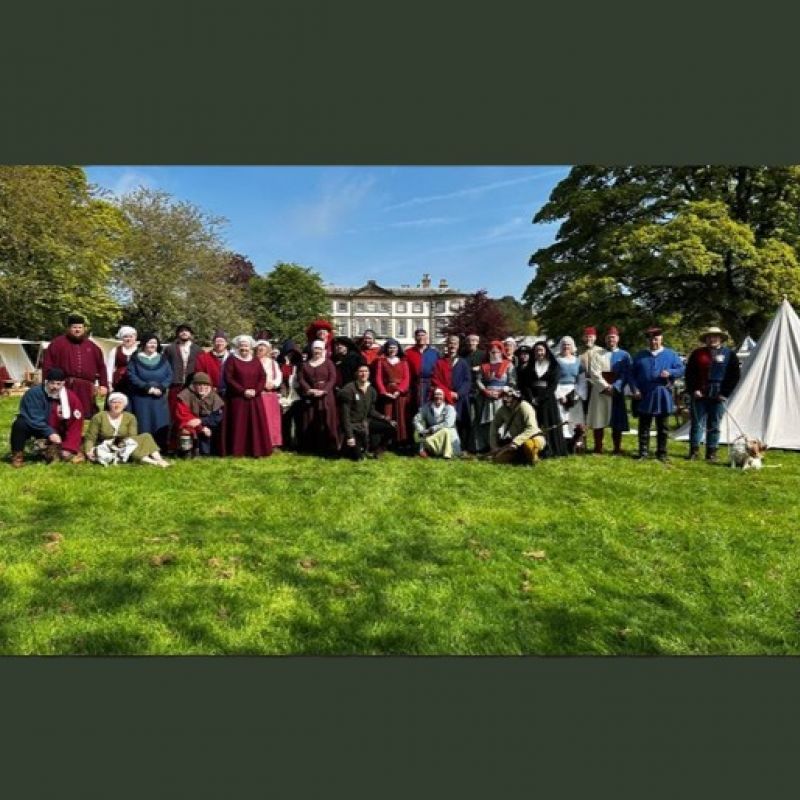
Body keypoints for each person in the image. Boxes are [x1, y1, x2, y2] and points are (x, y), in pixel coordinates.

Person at [685, 325, 741, 462]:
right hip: (700, 392)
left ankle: (711, 452)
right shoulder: (697, 353)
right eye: (710, 337)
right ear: (706, 339)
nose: (713, 339)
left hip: (719, 393)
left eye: (716, 336)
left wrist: (725, 393)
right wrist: (694, 389)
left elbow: (734, 375)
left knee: (714, 424)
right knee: (697, 423)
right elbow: (689, 373)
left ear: (721, 338)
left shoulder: (729, 354)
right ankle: (694, 451)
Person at [629, 326, 685, 462]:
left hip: (662, 394)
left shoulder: (671, 354)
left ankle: (662, 453)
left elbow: (682, 369)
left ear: (661, 339)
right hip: (644, 394)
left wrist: (670, 372)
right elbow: (631, 374)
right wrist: (634, 389)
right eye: (651, 339)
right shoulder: (640, 355)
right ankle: (643, 452)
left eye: (656, 339)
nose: (653, 342)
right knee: (644, 425)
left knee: (663, 426)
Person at [9, 367, 84, 467]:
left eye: (58, 384)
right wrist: (49, 432)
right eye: (52, 383)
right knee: (20, 424)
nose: (55, 387)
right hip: (36, 428)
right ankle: (17, 456)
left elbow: (75, 424)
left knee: (64, 454)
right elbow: (33, 417)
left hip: (58, 433)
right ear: (46, 382)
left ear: (63, 384)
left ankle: (64, 451)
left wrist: (69, 446)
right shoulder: (34, 394)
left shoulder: (71, 398)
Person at [42, 313, 108, 419]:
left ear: (84, 328)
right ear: (68, 328)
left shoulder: (92, 346)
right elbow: (47, 365)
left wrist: (104, 384)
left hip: (87, 388)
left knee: (86, 415)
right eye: (74, 327)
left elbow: (101, 366)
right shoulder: (57, 344)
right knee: (65, 413)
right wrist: (47, 384)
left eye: (80, 327)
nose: (77, 330)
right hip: (65, 386)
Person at [82, 391, 171, 467]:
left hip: (124, 444)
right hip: (106, 448)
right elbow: (90, 438)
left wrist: (122, 443)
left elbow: (132, 437)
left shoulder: (130, 417)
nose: (116, 405)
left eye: (120, 403)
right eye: (114, 402)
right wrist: (88, 451)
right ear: (109, 404)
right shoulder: (99, 417)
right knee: (134, 452)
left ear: (124, 405)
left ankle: (159, 459)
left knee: (146, 436)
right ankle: (154, 463)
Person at [222, 335, 272, 458]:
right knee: (238, 424)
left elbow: (262, 377)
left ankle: (256, 450)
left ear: (250, 347)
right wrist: (243, 391)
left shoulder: (255, 361)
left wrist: (256, 390)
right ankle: (238, 450)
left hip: (254, 398)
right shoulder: (231, 360)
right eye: (242, 346)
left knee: (255, 425)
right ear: (238, 347)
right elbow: (229, 378)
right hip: (237, 398)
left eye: (246, 346)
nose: (244, 349)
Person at [586, 326, 632, 455]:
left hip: (616, 392)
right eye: (608, 337)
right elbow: (594, 372)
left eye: (613, 337)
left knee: (616, 421)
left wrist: (615, 387)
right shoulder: (597, 354)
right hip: (600, 391)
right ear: (605, 339)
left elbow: (626, 374)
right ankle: (598, 447)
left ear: (617, 339)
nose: (611, 339)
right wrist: (605, 386)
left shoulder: (624, 355)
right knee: (599, 419)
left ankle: (617, 448)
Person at [338, 364, 397, 460]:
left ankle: (379, 450)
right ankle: (355, 447)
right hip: (353, 426)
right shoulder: (348, 389)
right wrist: (350, 436)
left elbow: (371, 411)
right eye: (361, 371)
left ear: (369, 374)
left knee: (391, 427)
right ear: (356, 373)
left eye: (366, 371)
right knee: (358, 458)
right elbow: (345, 416)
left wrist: (384, 418)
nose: (363, 374)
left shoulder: (371, 390)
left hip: (366, 423)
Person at [519, 341, 567, 457]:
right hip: (532, 399)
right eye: (536, 351)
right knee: (534, 424)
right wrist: (532, 398)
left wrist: (540, 398)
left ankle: (551, 450)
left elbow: (553, 385)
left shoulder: (554, 366)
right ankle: (534, 449)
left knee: (549, 424)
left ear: (546, 351)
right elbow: (526, 384)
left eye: (541, 350)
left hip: (548, 399)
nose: (539, 353)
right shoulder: (529, 367)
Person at [126, 334, 173, 450]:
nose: (152, 345)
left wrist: (161, 387)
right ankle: (143, 447)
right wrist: (147, 388)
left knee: (160, 421)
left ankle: (160, 447)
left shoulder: (163, 359)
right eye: (150, 342)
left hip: (159, 396)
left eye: (155, 343)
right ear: (144, 344)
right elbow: (132, 375)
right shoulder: (136, 358)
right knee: (144, 421)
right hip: (141, 396)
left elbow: (169, 375)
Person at [298, 339, 340, 455]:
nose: (318, 351)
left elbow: (332, 378)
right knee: (312, 419)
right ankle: (312, 446)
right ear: (312, 350)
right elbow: (301, 379)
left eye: (320, 349)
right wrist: (309, 389)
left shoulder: (328, 363)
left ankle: (329, 446)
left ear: (323, 350)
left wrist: (324, 390)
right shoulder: (305, 364)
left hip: (326, 396)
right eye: (316, 348)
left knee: (326, 419)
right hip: (311, 396)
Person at [473, 339, 515, 453]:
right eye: (492, 352)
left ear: (501, 352)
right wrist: (485, 391)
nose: (494, 354)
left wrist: (503, 392)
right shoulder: (484, 366)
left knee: (503, 421)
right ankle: (490, 446)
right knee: (488, 422)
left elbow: (512, 381)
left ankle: (504, 446)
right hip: (487, 397)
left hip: (503, 397)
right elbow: (478, 380)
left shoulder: (508, 365)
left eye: (496, 352)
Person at [488, 387, 546, 465]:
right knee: (499, 459)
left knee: (528, 445)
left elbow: (531, 428)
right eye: (503, 396)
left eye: (508, 396)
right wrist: (494, 446)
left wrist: (516, 442)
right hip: (514, 444)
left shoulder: (525, 406)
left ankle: (533, 457)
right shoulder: (502, 410)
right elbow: (494, 426)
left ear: (515, 397)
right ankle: (521, 457)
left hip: (532, 438)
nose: (505, 399)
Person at [430, 334, 472, 442]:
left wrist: (459, 394)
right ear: (446, 345)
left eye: (455, 343)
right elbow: (435, 379)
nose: (452, 345)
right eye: (450, 343)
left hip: (460, 397)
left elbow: (467, 380)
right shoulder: (439, 362)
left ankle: (462, 446)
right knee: (445, 421)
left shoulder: (463, 362)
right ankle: (445, 444)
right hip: (445, 397)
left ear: (458, 346)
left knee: (461, 422)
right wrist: (448, 393)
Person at [173, 372, 224, 457]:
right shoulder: (184, 395)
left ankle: (207, 452)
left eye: (205, 385)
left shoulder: (215, 397)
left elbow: (217, 417)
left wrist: (201, 421)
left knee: (208, 443)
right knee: (185, 429)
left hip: (208, 424)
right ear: (194, 385)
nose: (202, 388)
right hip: (191, 424)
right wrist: (201, 428)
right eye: (199, 385)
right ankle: (186, 453)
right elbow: (184, 416)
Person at [374, 338, 410, 447]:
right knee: (387, 415)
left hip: (400, 393)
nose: (392, 350)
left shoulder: (403, 362)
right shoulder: (382, 361)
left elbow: (406, 378)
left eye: (394, 348)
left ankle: (400, 440)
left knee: (401, 415)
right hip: (387, 391)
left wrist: (399, 391)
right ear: (386, 349)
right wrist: (384, 391)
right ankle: (387, 441)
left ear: (398, 349)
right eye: (390, 348)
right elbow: (378, 378)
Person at [555, 336, 588, 454]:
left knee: (575, 418)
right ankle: (563, 444)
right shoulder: (556, 361)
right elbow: (553, 380)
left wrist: (578, 394)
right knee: (563, 418)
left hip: (574, 391)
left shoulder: (578, 361)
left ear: (572, 346)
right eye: (564, 344)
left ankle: (577, 444)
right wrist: (559, 395)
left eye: (568, 344)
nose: (566, 347)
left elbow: (582, 379)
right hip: (560, 391)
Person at [163, 323, 202, 416]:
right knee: (173, 410)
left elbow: (201, 368)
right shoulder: (170, 349)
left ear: (190, 334)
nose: (184, 333)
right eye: (181, 331)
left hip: (191, 386)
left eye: (187, 331)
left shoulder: (197, 350)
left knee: (189, 411)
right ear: (178, 333)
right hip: (175, 385)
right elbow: (164, 366)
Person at [413, 386, 461, 459]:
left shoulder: (450, 408)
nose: (438, 396)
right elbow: (416, 419)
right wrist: (422, 430)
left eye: (440, 394)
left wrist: (432, 429)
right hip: (434, 436)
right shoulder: (427, 407)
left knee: (446, 431)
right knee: (422, 435)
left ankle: (446, 453)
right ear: (433, 395)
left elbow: (448, 424)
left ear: (444, 396)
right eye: (436, 394)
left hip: (449, 437)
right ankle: (435, 451)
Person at [405, 328, 440, 417]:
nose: (421, 338)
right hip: (414, 384)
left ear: (427, 337)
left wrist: (435, 385)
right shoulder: (408, 352)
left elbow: (438, 369)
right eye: (418, 335)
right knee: (414, 408)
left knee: (430, 407)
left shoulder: (434, 352)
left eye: (423, 335)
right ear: (415, 338)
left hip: (430, 383)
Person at [255, 339, 283, 449]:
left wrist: (274, 384)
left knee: (272, 420)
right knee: (258, 419)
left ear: (268, 349)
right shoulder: (253, 361)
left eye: (264, 346)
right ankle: (259, 442)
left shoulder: (273, 363)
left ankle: (273, 442)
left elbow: (278, 377)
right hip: (258, 394)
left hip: (270, 394)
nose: (261, 348)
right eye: (259, 346)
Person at [277, 340, 303, 450]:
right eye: (288, 353)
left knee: (298, 421)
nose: (290, 355)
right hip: (283, 395)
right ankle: (286, 443)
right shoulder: (279, 364)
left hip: (296, 395)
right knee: (285, 421)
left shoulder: (298, 365)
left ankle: (298, 443)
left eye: (292, 353)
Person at [462, 332, 486, 452]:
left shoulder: (483, 355)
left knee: (480, 417)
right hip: (466, 390)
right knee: (468, 418)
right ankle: (467, 445)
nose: (471, 343)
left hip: (479, 390)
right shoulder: (463, 355)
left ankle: (480, 445)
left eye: (474, 341)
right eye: (469, 341)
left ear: (478, 342)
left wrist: (480, 368)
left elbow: (489, 367)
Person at [106, 326, 138, 395]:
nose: (128, 339)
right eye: (126, 337)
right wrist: (109, 383)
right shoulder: (115, 350)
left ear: (135, 338)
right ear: (122, 338)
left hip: (135, 382)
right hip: (118, 382)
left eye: (131, 337)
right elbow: (109, 368)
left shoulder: (139, 351)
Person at [578, 326, 602, 416]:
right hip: (582, 383)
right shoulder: (578, 351)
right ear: (583, 338)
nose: (588, 339)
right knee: (583, 408)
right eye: (586, 336)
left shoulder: (600, 351)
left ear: (595, 337)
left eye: (590, 336)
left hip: (596, 384)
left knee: (596, 409)